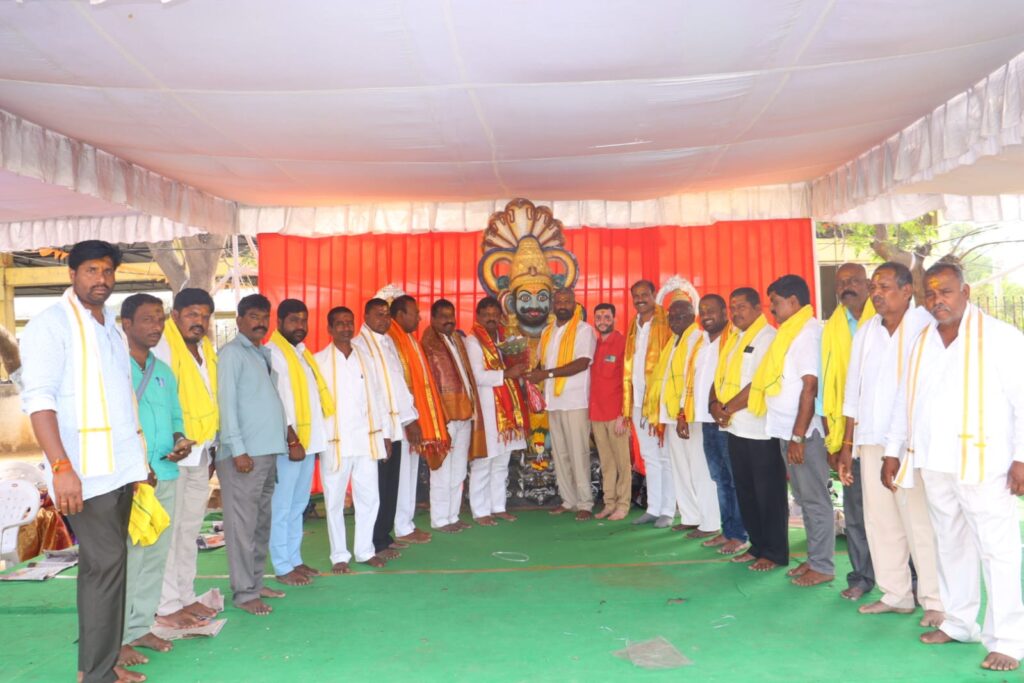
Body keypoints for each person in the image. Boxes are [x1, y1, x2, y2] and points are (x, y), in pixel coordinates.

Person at [885, 262, 1024, 672]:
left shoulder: (1000, 337)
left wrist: (1022, 457)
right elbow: (905, 398)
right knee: (950, 545)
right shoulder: (923, 340)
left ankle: (1008, 640)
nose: (937, 301)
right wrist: (893, 449)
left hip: (985, 462)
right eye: (930, 294)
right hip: (936, 461)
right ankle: (960, 623)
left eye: (945, 292)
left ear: (965, 292)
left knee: (997, 551)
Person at [20, 240, 148, 683]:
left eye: (108, 271)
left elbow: (119, 399)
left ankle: (101, 664)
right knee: (104, 566)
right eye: (92, 270)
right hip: (82, 471)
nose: (102, 279)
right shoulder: (51, 324)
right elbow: (39, 401)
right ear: (72, 274)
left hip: (119, 467)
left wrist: (138, 462)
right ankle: (95, 674)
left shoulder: (109, 324)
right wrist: (61, 468)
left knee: (109, 566)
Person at [838, 262, 942, 624]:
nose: (877, 294)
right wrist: (847, 443)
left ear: (907, 290)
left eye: (884, 287)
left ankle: (934, 600)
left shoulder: (926, 326)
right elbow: (853, 389)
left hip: (911, 444)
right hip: (870, 438)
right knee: (880, 521)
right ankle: (896, 594)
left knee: (919, 523)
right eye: (874, 288)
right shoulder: (868, 330)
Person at [117, 294, 194, 671]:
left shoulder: (162, 369)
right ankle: (116, 638)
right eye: (147, 319)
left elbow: (176, 416)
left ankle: (139, 627)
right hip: (133, 481)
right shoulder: (114, 368)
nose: (156, 326)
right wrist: (133, 466)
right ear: (126, 324)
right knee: (130, 559)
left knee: (155, 556)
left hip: (165, 473)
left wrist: (180, 440)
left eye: (160, 319)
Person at [752, 275, 834, 587]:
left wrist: (798, 436)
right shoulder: (791, 332)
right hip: (787, 430)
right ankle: (815, 559)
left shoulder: (807, 334)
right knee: (803, 497)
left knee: (814, 500)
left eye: (775, 302)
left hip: (803, 434)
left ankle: (823, 566)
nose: (772, 309)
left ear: (793, 302)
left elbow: (810, 387)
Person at [216, 294, 288, 616]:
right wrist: (238, 449)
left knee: (259, 524)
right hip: (244, 455)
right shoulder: (232, 354)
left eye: (264, 317)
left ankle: (255, 584)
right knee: (242, 528)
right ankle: (244, 593)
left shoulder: (261, 353)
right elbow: (226, 403)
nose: (260, 323)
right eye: (253, 316)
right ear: (239, 321)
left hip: (266, 452)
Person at [153, 288, 220, 629]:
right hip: (172, 452)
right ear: (175, 315)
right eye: (193, 314)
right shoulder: (163, 346)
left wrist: (212, 447)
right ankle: (165, 605)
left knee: (189, 529)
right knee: (169, 530)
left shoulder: (205, 348)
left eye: (205, 316)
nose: (200, 322)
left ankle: (185, 595)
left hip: (200, 450)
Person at [710, 287, 785, 572]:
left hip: (760, 430)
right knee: (746, 492)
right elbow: (721, 377)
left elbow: (758, 384)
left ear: (758, 308)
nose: (735, 312)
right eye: (732, 307)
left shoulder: (768, 338)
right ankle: (757, 546)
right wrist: (717, 406)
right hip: (735, 428)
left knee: (768, 494)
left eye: (741, 306)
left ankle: (774, 552)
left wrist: (726, 408)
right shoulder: (735, 338)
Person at [315, 306, 390, 571]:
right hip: (334, 442)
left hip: (366, 439)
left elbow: (379, 397)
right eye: (340, 323)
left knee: (369, 497)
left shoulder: (366, 358)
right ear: (329, 329)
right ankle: (339, 555)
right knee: (334, 501)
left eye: (349, 323)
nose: (346, 328)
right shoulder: (319, 361)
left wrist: (385, 434)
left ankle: (365, 550)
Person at [267, 299, 334, 586]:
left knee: (298, 506)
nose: (300, 326)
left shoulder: (303, 353)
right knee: (282, 508)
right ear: (279, 322)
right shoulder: (273, 353)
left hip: (309, 443)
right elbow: (275, 401)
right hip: (289, 444)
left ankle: (294, 559)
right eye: (294, 320)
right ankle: (282, 566)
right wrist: (291, 438)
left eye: (304, 320)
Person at [820, 263, 876, 601]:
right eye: (841, 282)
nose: (846, 287)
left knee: (894, 515)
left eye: (854, 281)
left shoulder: (883, 319)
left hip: (882, 434)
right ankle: (861, 577)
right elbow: (826, 384)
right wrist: (833, 437)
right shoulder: (832, 326)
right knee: (855, 512)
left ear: (868, 285)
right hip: (847, 434)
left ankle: (909, 580)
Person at [354, 298, 419, 558]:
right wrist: (381, 431)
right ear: (366, 316)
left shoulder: (389, 341)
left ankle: (385, 535)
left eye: (386, 315)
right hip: (377, 428)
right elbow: (372, 392)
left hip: (395, 423)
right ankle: (375, 542)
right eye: (378, 315)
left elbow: (398, 384)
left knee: (392, 483)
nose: (384, 320)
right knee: (378, 485)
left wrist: (410, 418)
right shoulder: (359, 346)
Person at [526, 288, 597, 520]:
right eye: (559, 302)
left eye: (567, 301)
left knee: (579, 453)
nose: (563, 305)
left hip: (575, 401)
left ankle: (585, 502)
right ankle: (569, 500)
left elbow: (582, 363)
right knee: (560, 454)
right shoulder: (547, 332)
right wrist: (530, 374)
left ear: (575, 304)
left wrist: (546, 374)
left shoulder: (584, 330)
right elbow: (542, 363)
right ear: (553, 306)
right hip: (553, 402)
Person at [421, 299, 487, 531]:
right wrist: (439, 418)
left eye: (452, 316)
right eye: (443, 317)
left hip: (464, 413)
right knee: (442, 470)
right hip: (444, 417)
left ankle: (453, 515)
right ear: (433, 318)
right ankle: (440, 519)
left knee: (458, 469)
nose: (449, 321)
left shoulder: (457, 339)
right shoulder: (428, 344)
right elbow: (429, 385)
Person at [657, 299, 720, 537]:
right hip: (673, 414)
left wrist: (683, 412)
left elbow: (691, 380)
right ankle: (690, 516)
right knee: (680, 469)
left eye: (681, 316)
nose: (675, 321)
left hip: (691, 415)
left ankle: (710, 522)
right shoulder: (673, 341)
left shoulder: (697, 339)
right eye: (671, 317)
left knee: (699, 469)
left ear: (692, 316)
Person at [464, 297, 528, 525]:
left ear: (501, 316)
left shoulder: (503, 338)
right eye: (486, 315)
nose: (491, 318)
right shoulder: (473, 341)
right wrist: (507, 374)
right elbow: (477, 376)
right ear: (478, 317)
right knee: (484, 460)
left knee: (501, 461)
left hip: (506, 409)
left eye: (494, 314)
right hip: (486, 409)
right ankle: (480, 511)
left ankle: (498, 506)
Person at [692, 294, 748, 554]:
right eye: (702, 311)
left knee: (735, 478)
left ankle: (740, 534)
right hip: (707, 419)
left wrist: (722, 408)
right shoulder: (701, 342)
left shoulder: (733, 339)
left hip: (728, 419)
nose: (706, 316)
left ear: (725, 312)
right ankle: (727, 531)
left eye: (711, 310)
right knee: (719, 478)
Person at [387, 293, 441, 544]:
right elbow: (398, 384)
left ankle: (406, 524)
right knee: (402, 476)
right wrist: (409, 420)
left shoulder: (408, 339)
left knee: (409, 473)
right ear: (399, 315)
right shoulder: (392, 340)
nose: (419, 318)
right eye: (415, 313)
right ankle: (401, 526)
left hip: (413, 416)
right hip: (402, 419)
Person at [623, 280, 673, 525]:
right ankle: (653, 507)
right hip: (638, 400)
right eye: (636, 295)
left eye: (645, 294)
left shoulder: (666, 321)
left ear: (654, 295)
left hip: (660, 400)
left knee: (665, 455)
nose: (640, 299)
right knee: (648, 454)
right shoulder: (634, 324)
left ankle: (668, 510)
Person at [589, 303, 631, 521]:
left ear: (614, 319)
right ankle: (609, 503)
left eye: (607, 317)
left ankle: (623, 505)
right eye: (599, 317)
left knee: (623, 463)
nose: (602, 321)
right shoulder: (593, 345)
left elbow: (627, 380)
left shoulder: (622, 343)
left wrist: (624, 413)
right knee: (606, 463)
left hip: (616, 415)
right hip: (596, 414)